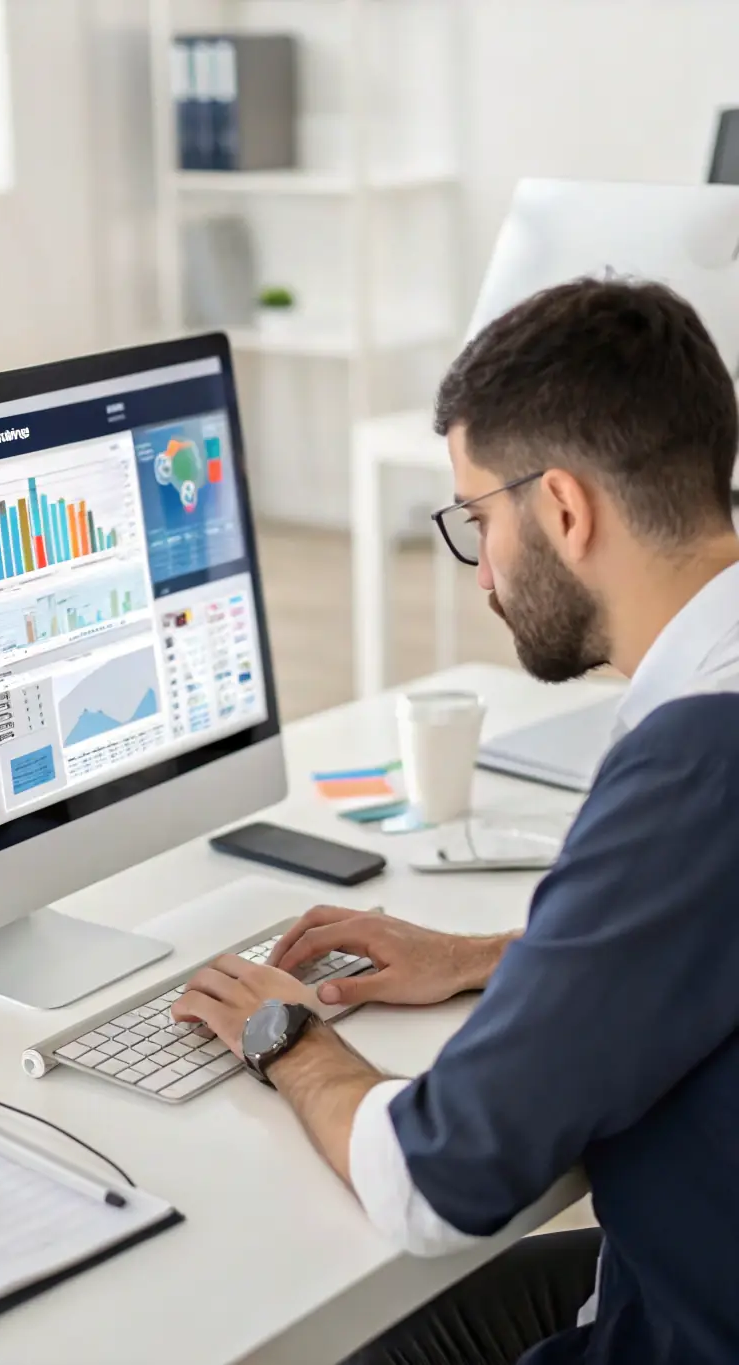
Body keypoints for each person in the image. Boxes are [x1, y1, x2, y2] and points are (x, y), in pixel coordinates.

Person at [171, 278, 739, 1364]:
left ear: (564, 511)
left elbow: (431, 1182)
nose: (480, 573)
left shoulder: (695, 763)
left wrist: (285, 1037)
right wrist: (494, 957)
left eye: (478, 520)